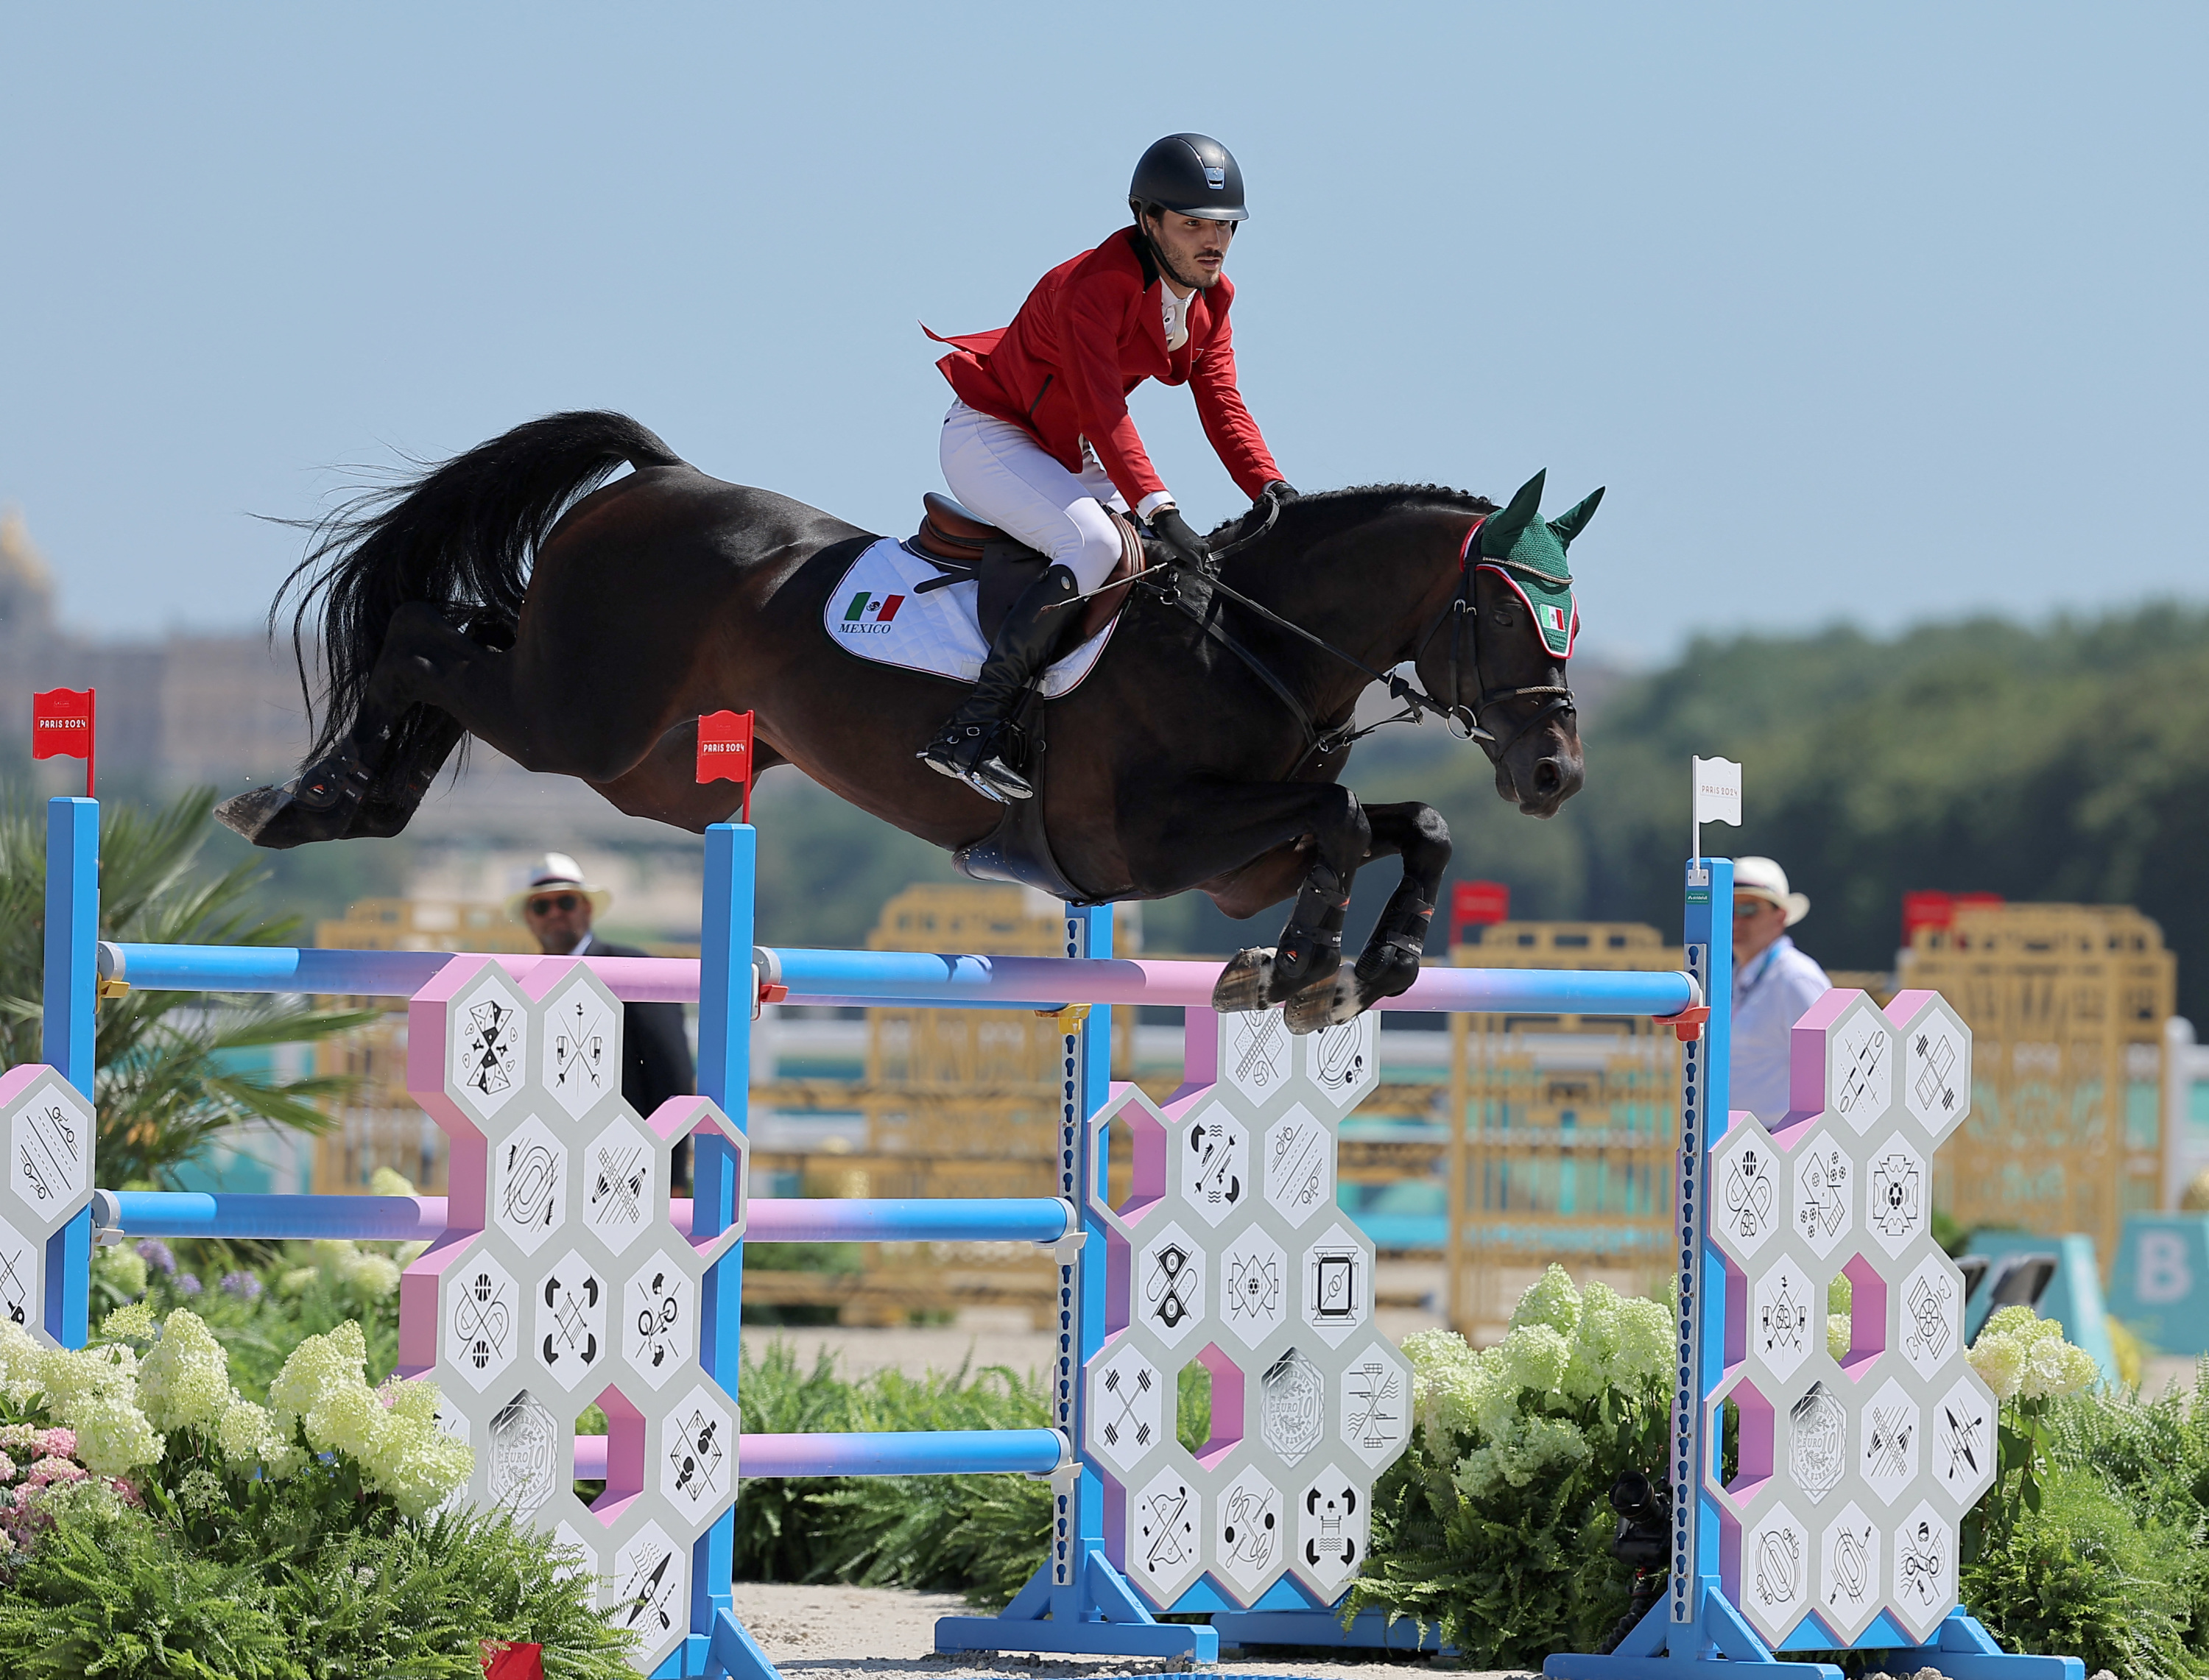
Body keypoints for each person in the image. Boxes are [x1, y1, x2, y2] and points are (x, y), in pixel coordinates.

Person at [918, 132, 1295, 802]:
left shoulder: (1213, 299)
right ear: (1147, 220)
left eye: (1225, 226)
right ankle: (972, 729)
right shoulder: (1097, 286)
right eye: (1193, 225)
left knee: (1151, 562)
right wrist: (1160, 506)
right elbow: (1103, 410)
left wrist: (1273, 489)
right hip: (992, 431)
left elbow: (1224, 404)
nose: (1214, 242)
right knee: (1094, 541)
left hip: (1067, 442)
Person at [511, 853, 696, 1133]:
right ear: (528, 918)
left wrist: (672, 1169)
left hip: (627, 1155)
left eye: (566, 902)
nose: (554, 913)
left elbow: (672, 1074)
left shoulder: (635, 971)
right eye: (541, 907)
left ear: (586, 908)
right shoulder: (520, 985)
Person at [1729, 855, 1832, 1122]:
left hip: (1780, 1146)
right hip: (1740, 1145)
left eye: (1749, 909)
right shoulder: (1732, 977)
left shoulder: (1796, 978)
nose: (1736, 920)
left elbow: (1831, 1071)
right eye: (1728, 909)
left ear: (1781, 916)